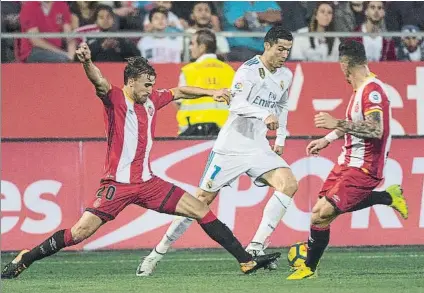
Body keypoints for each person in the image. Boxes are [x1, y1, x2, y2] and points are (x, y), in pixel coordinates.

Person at [1, 44, 281, 280]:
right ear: (131, 81)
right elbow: (98, 80)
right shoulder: (113, 99)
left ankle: (246, 260)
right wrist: (87, 62)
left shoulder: (152, 100)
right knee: (79, 233)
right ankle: (27, 258)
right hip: (117, 186)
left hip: (148, 184)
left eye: (152, 85)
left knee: (199, 208)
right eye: (146, 85)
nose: (150, 90)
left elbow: (180, 92)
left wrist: (211, 93)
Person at [137, 26, 298, 276]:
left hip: (258, 147)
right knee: (199, 203)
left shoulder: (285, 75)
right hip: (231, 148)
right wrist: (264, 114)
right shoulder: (248, 71)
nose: (284, 55)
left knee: (288, 184)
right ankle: (157, 253)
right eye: (280, 49)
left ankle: (255, 247)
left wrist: (281, 137)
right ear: (267, 46)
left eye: (288, 50)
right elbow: (237, 104)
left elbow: (283, 104)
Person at [287, 40, 408, 280]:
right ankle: (388, 196)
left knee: (321, 214)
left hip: (365, 166)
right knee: (322, 211)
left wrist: (336, 123)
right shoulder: (359, 90)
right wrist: (327, 139)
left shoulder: (372, 91)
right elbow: (352, 123)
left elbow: (375, 129)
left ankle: (309, 267)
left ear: (345, 64)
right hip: (347, 162)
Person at [176, 29, 234, 136]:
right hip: (225, 132)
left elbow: (178, 102)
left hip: (193, 132)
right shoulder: (229, 70)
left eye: (192, 44)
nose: (190, 48)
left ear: (202, 47)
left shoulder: (189, 70)